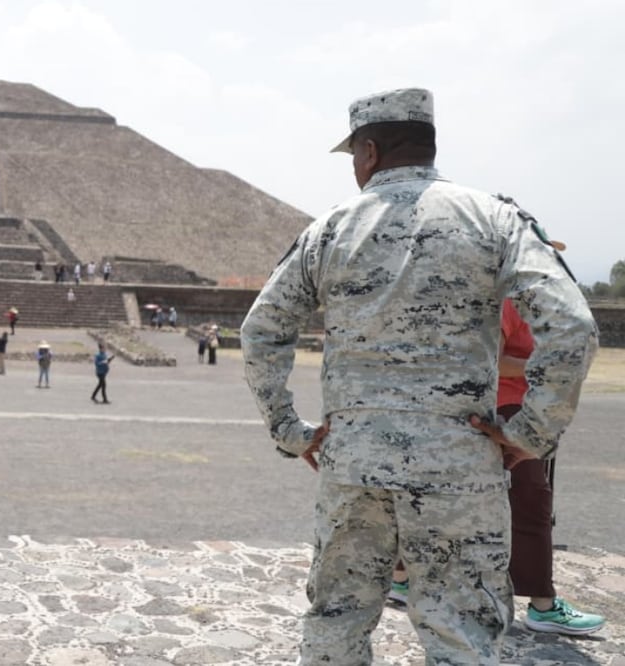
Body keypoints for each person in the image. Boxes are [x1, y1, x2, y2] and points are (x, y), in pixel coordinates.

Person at [239, 88, 596, 664]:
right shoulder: (494, 218)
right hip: (460, 461)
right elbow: (572, 325)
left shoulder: (330, 229)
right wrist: (531, 433)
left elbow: (260, 332)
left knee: (337, 619)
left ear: (370, 152)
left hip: (353, 462)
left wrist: (291, 432)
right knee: (463, 631)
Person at [391, 297, 605, 636]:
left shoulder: (530, 297)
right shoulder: (509, 298)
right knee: (531, 502)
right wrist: (544, 364)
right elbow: (489, 359)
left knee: (449, 496)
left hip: (509, 406)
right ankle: (543, 606)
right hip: (505, 408)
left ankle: (401, 578)